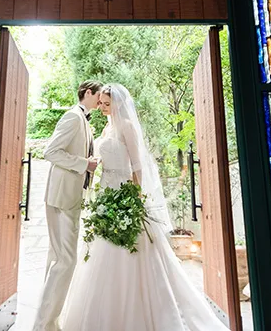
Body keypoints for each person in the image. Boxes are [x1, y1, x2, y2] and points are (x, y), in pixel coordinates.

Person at [60, 84, 229, 331]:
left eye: (107, 104)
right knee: (101, 248)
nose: (103, 108)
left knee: (132, 248)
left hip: (125, 191)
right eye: (102, 103)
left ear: (119, 103)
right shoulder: (107, 127)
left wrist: (135, 197)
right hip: (105, 193)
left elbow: (137, 165)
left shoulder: (127, 126)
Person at [32, 80, 103, 331]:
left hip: (70, 197)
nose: (101, 102)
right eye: (98, 96)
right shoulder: (73, 117)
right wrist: (84, 163)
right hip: (62, 198)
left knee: (58, 259)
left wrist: (88, 163)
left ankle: (47, 323)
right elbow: (51, 152)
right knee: (66, 261)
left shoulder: (85, 121)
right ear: (87, 93)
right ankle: (45, 325)